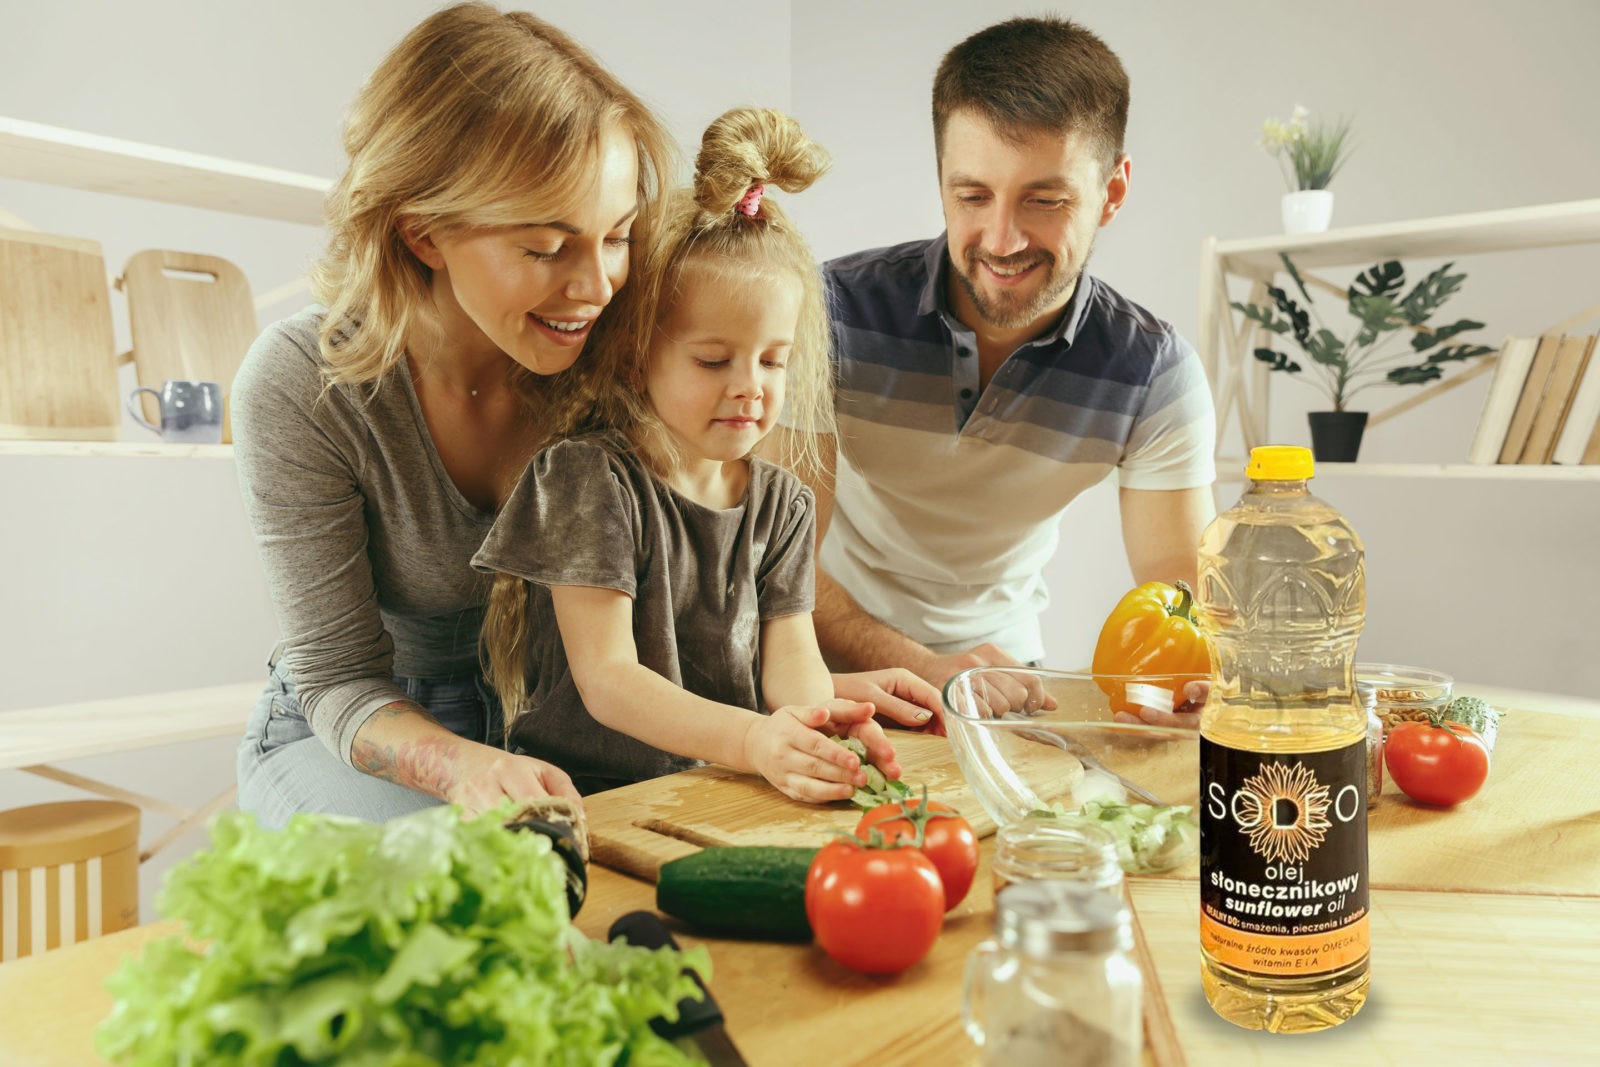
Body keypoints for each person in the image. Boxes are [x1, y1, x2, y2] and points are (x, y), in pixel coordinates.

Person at [232, 4, 933, 828]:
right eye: (545, 247)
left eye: (618, 236)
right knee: (464, 896)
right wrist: (467, 764)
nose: (597, 285)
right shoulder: (302, 385)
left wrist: (798, 703)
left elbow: (674, 597)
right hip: (351, 731)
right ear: (422, 234)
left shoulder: (618, 350)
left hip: (551, 726)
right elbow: (336, 677)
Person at [779, 16, 1217, 727]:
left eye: (1045, 200)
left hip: (1007, 683)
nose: (1002, 240)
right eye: (973, 196)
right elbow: (777, 561)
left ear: (1112, 190)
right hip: (832, 672)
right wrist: (920, 665)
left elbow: (1186, 596)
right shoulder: (826, 315)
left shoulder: (1153, 375)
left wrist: (1190, 687)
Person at [474, 108, 901, 801]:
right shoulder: (589, 481)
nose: (750, 388)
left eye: (773, 361)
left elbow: (791, 653)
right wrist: (756, 740)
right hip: (590, 795)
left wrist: (809, 724)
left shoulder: (781, 501)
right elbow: (609, 679)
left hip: (720, 782)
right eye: (713, 360)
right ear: (637, 359)